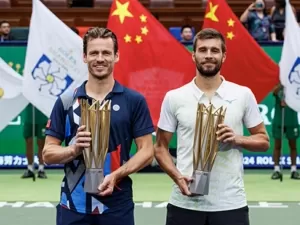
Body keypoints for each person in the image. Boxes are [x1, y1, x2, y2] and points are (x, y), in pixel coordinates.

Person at [154, 28, 270, 225]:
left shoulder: (243, 94)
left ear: (224, 56)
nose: (208, 55)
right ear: (194, 55)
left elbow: (263, 140)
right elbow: (160, 147)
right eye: (203, 50)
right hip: (184, 204)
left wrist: (236, 139)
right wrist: (177, 177)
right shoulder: (174, 97)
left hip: (230, 204)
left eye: (215, 51)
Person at [43, 27, 154, 225]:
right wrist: (73, 149)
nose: (100, 58)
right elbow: (48, 153)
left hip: (117, 206)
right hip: (72, 206)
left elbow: (147, 151)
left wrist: (117, 175)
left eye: (106, 53)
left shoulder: (133, 100)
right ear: (84, 57)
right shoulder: (67, 101)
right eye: (94, 53)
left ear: (116, 56)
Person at [271, 83, 300, 180]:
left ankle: (294, 170)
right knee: (277, 146)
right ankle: (276, 170)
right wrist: (282, 84)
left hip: (292, 120)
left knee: (293, 146)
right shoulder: (279, 86)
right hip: (279, 119)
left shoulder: (295, 87)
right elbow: (274, 92)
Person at [21, 104, 48, 179]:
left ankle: (41, 169)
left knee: (41, 143)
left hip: (42, 116)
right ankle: (30, 169)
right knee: (29, 142)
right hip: (29, 117)